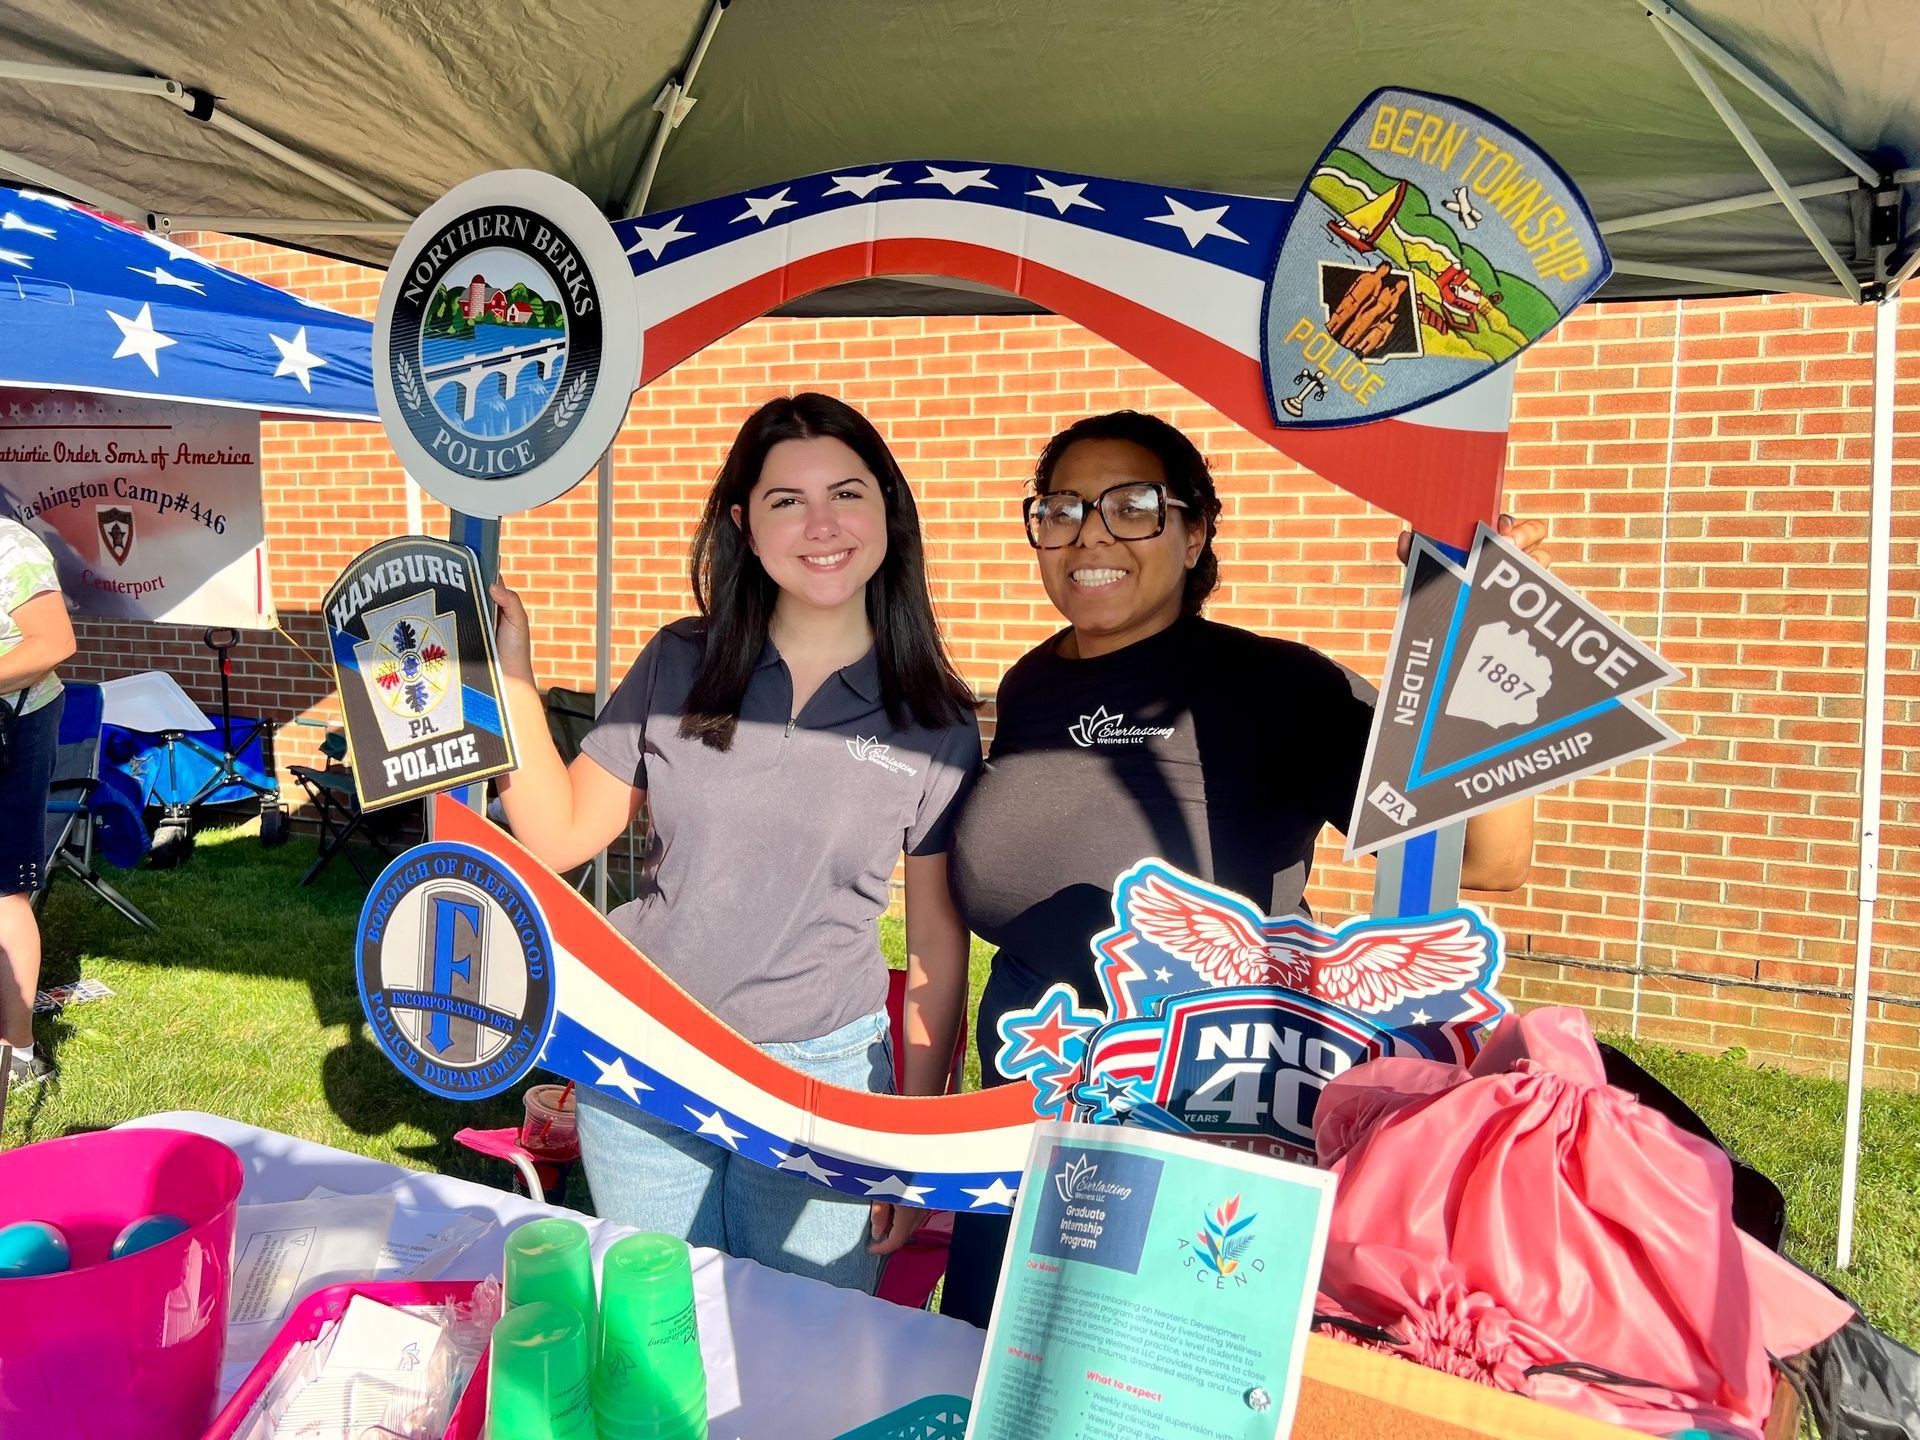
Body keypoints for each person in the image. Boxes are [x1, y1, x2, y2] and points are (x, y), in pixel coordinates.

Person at [940, 409, 1544, 1326]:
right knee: (990, 1353)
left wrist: (1491, 644)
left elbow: (1492, 860)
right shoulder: (1032, 681)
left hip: (1185, 1106)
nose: (1090, 533)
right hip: (1020, 1092)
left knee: (1134, 1381)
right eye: (1061, 508)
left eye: (1132, 505)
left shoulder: (1278, 688)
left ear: (1195, 535)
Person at [490, 393, 980, 1293]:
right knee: (654, 1333)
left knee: (802, 1351)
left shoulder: (934, 721)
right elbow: (558, 834)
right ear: (744, 526)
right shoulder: (682, 661)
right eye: (786, 501)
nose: (821, 525)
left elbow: (938, 952)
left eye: (847, 493)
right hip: (646, 1053)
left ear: (888, 512)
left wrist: (913, 1138)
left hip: (823, 1078)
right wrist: (511, 676)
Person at [0, 518, 75, 1090]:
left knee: (4, 892)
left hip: (15, 728)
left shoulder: (12, 547)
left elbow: (54, 644)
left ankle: (18, 1053)